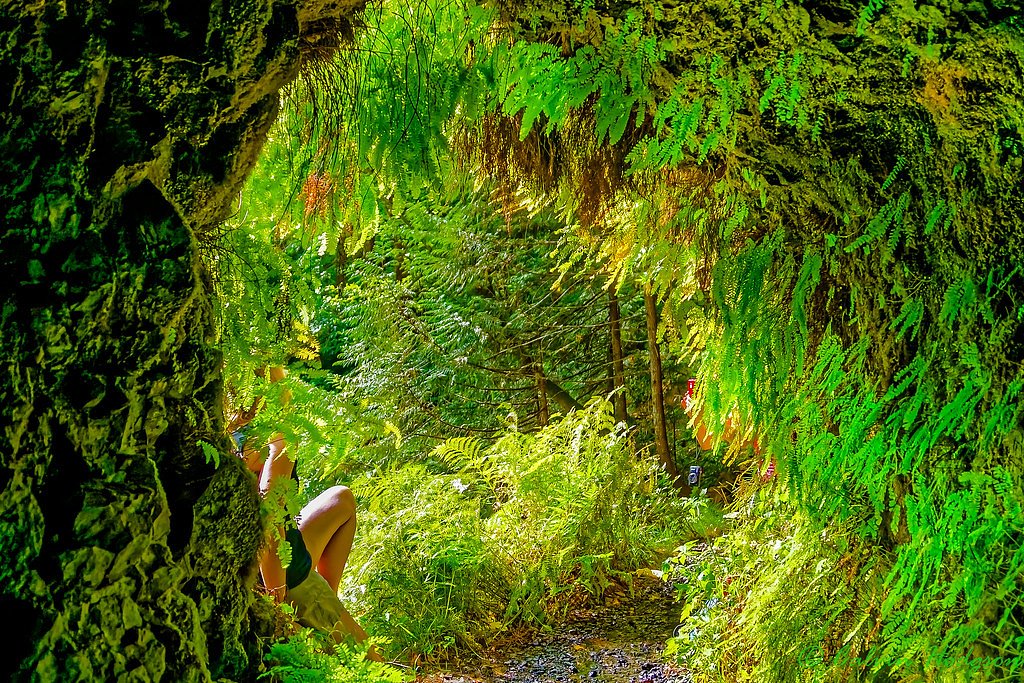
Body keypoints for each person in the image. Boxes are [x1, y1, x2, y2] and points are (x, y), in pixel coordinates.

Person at [228, 366, 379, 657]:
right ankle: (319, 606)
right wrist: (277, 601)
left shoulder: (228, 432)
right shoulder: (278, 441)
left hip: (283, 552)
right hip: (283, 572)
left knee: (341, 499)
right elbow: (268, 517)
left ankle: (327, 598)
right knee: (372, 661)